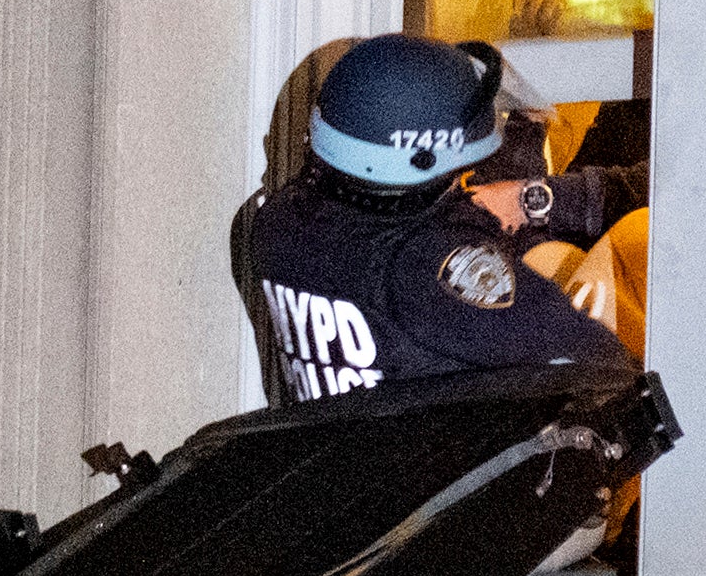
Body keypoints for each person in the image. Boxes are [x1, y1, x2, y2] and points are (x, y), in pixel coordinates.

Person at [243, 33, 632, 401]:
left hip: (351, 460)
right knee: (634, 236)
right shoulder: (431, 267)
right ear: (423, 157)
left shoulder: (275, 223)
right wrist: (477, 223)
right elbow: (601, 367)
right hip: (446, 466)